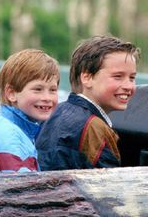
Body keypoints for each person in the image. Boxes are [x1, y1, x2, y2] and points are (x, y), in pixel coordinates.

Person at [36, 35, 141, 170]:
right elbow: (109, 186)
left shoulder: (56, 111)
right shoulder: (94, 128)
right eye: (118, 77)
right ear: (87, 78)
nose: (128, 86)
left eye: (132, 78)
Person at [0, 49, 60, 173]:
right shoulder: (10, 139)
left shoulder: (5, 124)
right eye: (38, 89)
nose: (47, 98)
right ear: (11, 93)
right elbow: (21, 190)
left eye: (53, 90)